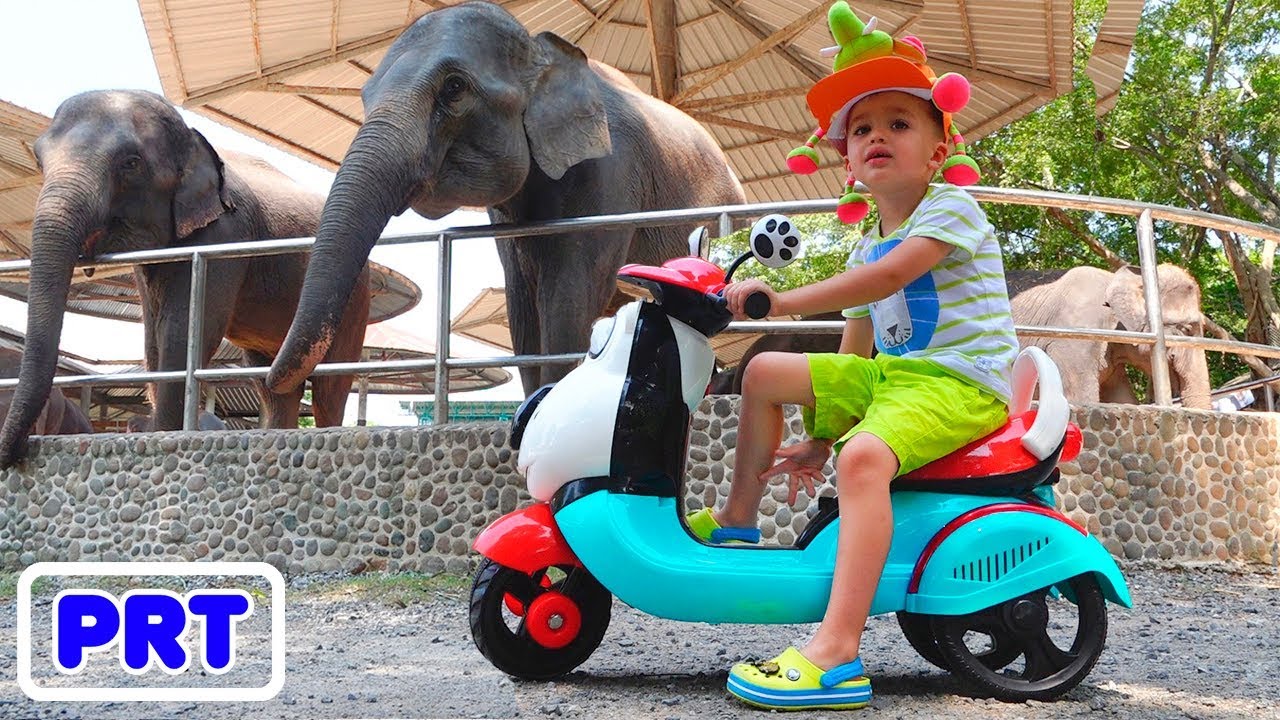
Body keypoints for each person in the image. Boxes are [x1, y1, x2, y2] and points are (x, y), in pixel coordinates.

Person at [685, 1, 1020, 710]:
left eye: (899, 122)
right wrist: (818, 434)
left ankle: (836, 653)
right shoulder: (869, 239)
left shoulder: (951, 210)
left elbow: (892, 278)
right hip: (898, 379)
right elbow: (859, 346)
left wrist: (781, 302)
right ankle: (742, 517)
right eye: (861, 129)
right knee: (766, 370)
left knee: (866, 461)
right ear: (846, 160)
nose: (876, 136)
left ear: (938, 149)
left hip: (959, 382)